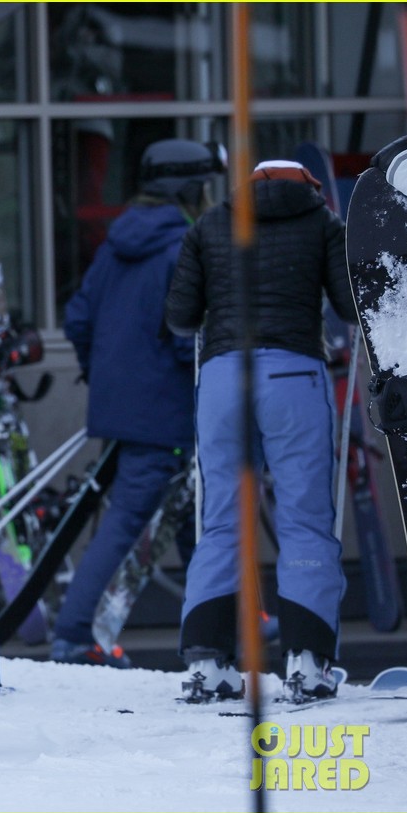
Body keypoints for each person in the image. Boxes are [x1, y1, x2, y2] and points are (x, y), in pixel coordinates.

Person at [166, 158, 358, 701]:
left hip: (224, 376)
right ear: (310, 186)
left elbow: (181, 317)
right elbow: (349, 306)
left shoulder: (210, 224)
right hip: (295, 373)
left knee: (222, 518)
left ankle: (208, 663)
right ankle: (307, 660)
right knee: (304, 516)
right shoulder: (322, 224)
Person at [53, 139, 222, 667]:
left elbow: (78, 320)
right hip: (168, 412)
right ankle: (76, 634)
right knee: (132, 520)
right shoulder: (185, 247)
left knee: (196, 520)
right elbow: (185, 338)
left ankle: (223, 628)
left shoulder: (114, 246)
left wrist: (105, 373)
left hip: (124, 407)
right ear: (189, 189)